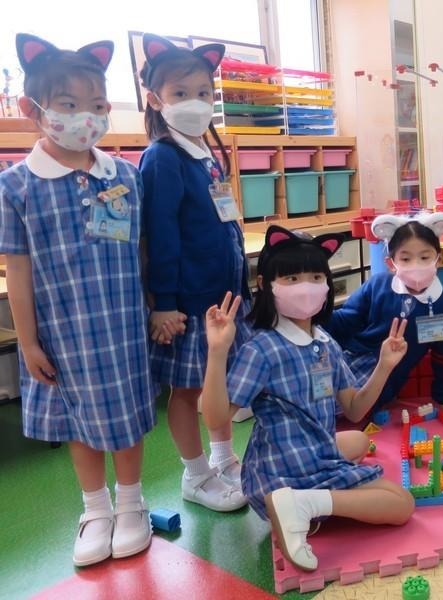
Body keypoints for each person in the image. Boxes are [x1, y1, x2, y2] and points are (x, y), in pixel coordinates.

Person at [0, 34, 155, 565]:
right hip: (62, 332)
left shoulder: (125, 176)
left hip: (123, 324)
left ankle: (132, 503)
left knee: (127, 416)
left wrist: (153, 307)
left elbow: (142, 251)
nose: (85, 117)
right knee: (76, 422)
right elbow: (18, 268)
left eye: (97, 105)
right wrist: (27, 342)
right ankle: (95, 508)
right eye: (68, 105)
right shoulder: (16, 185)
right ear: (33, 110)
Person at [200, 226, 415, 571]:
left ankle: (300, 502)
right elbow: (215, 418)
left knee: (358, 440)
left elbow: (355, 409)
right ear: (266, 285)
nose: (307, 286)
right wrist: (217, 351)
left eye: (316, 277)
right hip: (284, 474)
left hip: (279, 462)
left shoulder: (324, 342)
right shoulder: (262, 349)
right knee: (401, 503)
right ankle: (304, 504)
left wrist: (384, 365)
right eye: (292, 278)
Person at [139, 34, 251, 512]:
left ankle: (224, 458)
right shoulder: (162, 157)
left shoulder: (204, 152)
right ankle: (196, 473)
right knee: (186, 390)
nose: (195, 102)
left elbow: (224, 222)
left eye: (204, 92)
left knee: (218, 381)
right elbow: (159, 236)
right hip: (187, 304)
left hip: (222, 297)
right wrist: (163, 303)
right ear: (155, 99)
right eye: (180, 93)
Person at [325, 212, 443, 418]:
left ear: (439, 259)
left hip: (385, 377)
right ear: (391, 263)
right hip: (349, 358)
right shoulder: (378, 285)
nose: (416, 265)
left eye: (424, 257)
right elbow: (344, 321)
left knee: (334, 409)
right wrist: (315, 315)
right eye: (405, 258)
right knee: (311, 395)